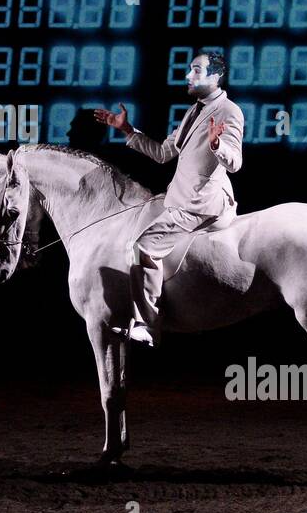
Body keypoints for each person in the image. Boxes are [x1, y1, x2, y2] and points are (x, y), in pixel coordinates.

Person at [93, 51, 244, 347]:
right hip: (180, 195)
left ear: (216, 76)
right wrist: (126, 129)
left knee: (141, 247)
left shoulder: (229, 111)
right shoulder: (193, 111)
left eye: (196, 71)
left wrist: (217, 144)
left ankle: (148, 324)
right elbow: (163, 153)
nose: (188, 76)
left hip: (201, 203)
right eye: (190, 70)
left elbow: (235, 162)